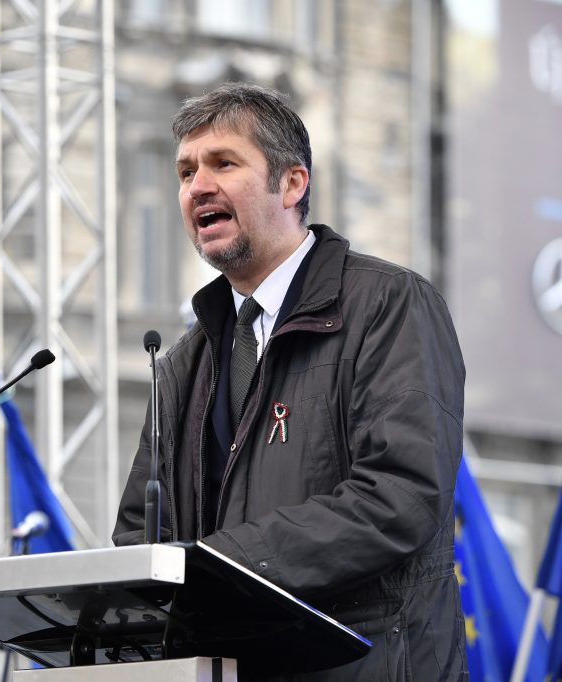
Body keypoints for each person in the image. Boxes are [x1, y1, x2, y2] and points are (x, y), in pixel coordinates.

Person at [113, 82, 467, 681]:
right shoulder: (179, 364)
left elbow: (400, 495)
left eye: (224, 163)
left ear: (292, 183)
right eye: (186, 171)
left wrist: (218, 566)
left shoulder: (389, 304)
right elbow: (141, 538)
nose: (198, 186)